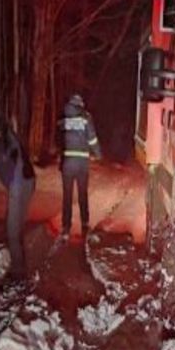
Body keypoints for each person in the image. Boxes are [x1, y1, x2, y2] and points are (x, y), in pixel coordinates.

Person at [0, 115, 35, 281]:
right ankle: (21, 257)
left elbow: (2, 161)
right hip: (28, 181)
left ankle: (18, 271)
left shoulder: (2, 144)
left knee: (12, 229)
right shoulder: (8, 139)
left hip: (18, 184)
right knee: (17, 224)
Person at [56, 93, 101, 240]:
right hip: (81, 163)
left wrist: (61, 157)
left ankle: (66, 227)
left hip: (68, 162)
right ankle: (85, 224)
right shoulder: (85, 118)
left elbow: (59, 140)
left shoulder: (63, 119)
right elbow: (92, 139)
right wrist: (98, 154)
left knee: (67, 195)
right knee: (82, 194)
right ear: (80, 104)